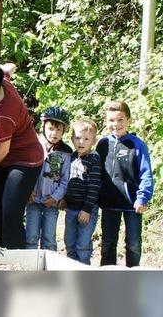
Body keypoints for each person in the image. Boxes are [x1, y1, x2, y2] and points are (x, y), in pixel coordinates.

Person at [0, 58, 43, 249]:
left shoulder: (1, 115)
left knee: (10, 210)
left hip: (24, 159)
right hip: (4, 158)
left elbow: (3, 150)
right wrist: (6, 69)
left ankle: (15, 256)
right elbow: (11, 66)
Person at [97, 101, 153, 267]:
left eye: (120, 119)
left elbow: (146, 173)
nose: (116, 124)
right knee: (108, 243)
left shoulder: (137, 144)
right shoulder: (103, 144)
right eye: (112, 120)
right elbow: (96, 172)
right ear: (106, 122)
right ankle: (106, 278)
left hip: (132, 204)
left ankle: (133, 277)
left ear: (129, 120)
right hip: (109, 203)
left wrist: (142, 197)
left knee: (134, 244)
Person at [25, 106, 72, 251]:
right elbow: (25, 171)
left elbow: (65, 180)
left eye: (59, 130)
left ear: (64, 131)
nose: (54, 133)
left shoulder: (66, 152)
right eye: (51, 128)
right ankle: (29, 267)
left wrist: (55, 197)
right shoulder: (33, 146)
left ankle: (49, 269)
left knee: (49, 238)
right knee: (31, 237)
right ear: (43, 126)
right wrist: (28, 191)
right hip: (33, 200)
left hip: (51, 202)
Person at [63, 119, 101, 265]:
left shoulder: (94, 159)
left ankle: (84, 272)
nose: (81, 142)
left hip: (86, 210)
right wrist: (64, 199)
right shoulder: (72, 157)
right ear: (72, 138)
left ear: (93, 141)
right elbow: (68, 181)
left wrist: (87, 209)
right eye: (78, 138)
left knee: (82, 245)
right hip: (71, 208)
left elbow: (94, 186)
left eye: (86, 139)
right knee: (69, 242)